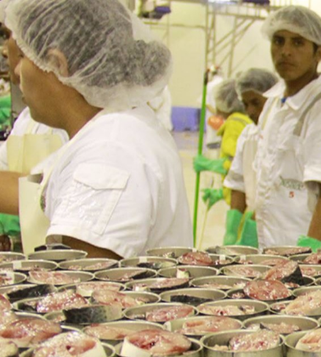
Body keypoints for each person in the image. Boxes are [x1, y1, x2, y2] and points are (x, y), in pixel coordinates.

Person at [0, 0, 192, 258]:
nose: (16, 70)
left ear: (57, 64)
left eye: (23, 57)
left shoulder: (109, 155)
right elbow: (34, 191)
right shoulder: (113, 128)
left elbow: (81, 279)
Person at [230, 6, 321, 250]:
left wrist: (309, 253)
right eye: (278, 41)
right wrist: (250, 228)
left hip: (300, 247)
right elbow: (267, 177)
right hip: (268, 245)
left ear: (319, 52)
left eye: (298, 43)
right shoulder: (273, 103)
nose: (285, 51)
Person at [0, 20, 67, 249]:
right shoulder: (29, 118)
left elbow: (44, 193)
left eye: (24, 58)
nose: (17, 69)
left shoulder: (96, 133)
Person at [217, 68, 278, 247]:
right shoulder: (248, 135)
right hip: (256, 223)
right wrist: (232, 228)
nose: (250, 111)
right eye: (245, 104)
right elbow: (238, 182)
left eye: (256, 103)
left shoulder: (285, 136)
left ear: (272, 99)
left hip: (281, 229)